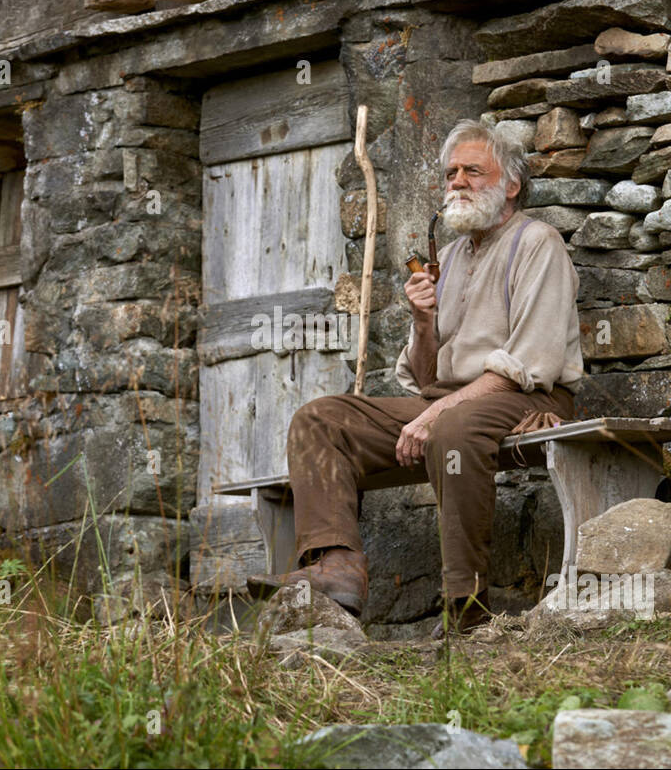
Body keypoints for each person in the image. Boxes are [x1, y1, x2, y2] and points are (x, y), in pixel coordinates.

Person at [246, 119, 585, 636]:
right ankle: (336, 565)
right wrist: (423, 323)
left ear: (511, 184)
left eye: (473, 170)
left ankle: (465, 611)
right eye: (451, 172)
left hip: (526, 399)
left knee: (451, 431)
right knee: (322, 419)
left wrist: (435, 414)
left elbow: (528, 367)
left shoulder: (536, 243)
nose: (457, 182)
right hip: (451, 401)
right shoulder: (445, 258)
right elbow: (424, 379)